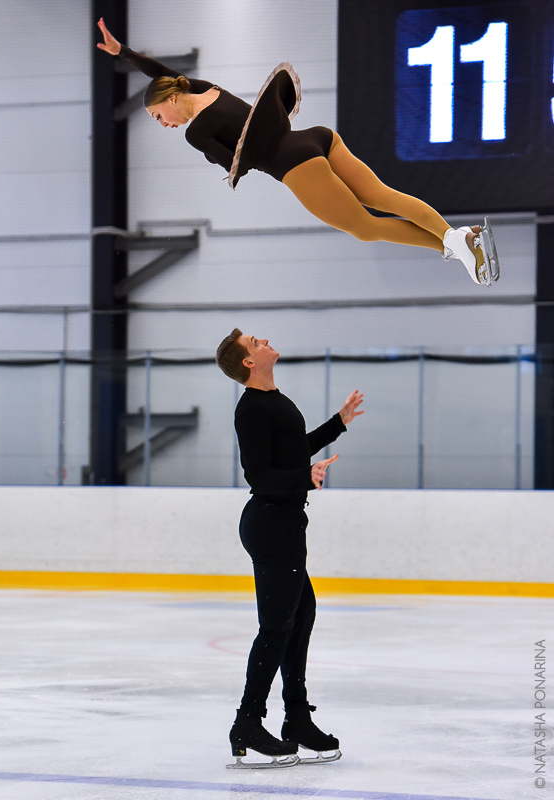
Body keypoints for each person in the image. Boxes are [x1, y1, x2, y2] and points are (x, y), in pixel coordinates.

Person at [96, 18, 499, 287]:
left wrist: (218, 157)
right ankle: (458, 239)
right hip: (317, 137)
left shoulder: (196, 132)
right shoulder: (202, 87)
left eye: (156, 115)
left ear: (170, 97)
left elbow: (239, 164)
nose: (163, 124)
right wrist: (123, 53)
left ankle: (455, 245)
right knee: (383, 197)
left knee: (365, 227)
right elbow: (158, 72)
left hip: (294, 165)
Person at [215, 328, 364, 768]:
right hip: (270, 523)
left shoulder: (275, 401)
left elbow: (292, 453)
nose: (264, 342)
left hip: (283, 522)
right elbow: (259, 475)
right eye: (255, 343)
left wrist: (337, 423)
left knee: (300, 618)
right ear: (248, 362)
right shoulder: (252, 409)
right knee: (277, 626)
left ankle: (296, 718)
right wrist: (305, 478)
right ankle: (247, 723)